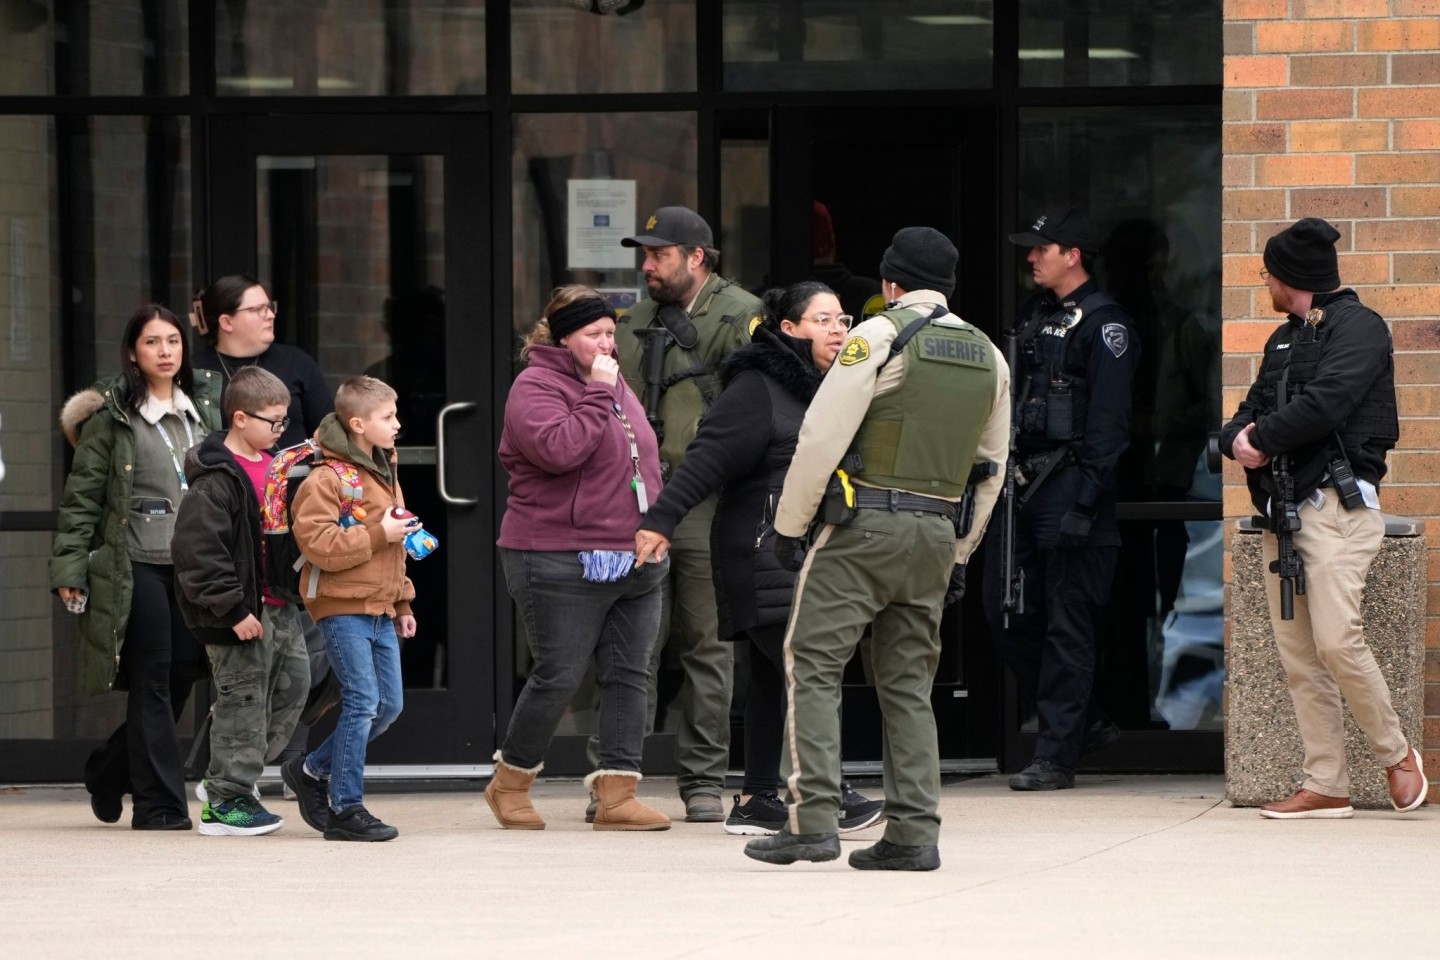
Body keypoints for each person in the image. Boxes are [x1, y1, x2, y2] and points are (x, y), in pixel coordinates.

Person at [743, 227, 1009, 871]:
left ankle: (811, 823)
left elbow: (820, 437)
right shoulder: (990, 356)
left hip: (865, 528)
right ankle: (914, 834)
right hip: (936, 535)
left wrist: (789, 528)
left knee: (810, 662)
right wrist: (961, 554)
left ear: (890, 283)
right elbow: (992, 467)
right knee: (909, 686)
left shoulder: (879, 335)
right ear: (947, 285)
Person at [633, 281, 883, 836]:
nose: (838, 329)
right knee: (808, 669)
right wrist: (661, 520)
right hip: (760, 550)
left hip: (807, 552)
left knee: (777, 677)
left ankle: (758, 800)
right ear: (787, 330)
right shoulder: (758, 387)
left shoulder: (835, 388)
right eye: (822, 320)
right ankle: (825, 789)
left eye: (842, 319)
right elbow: (707, 458)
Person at [1220, 217, 1424, 820]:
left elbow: (1330, 400)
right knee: (1299, 657)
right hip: (1284, 513)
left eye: (1269, 273)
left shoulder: (1359, 327)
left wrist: (1260, 437)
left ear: (1291, 277)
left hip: (1336, 509)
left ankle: (1396, 754)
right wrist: (1238, 439)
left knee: (1338, 641)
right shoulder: (1283, 339)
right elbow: (1248, 410)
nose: (1266, 283)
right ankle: (1326, 783)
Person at [488, 286, 671, 832]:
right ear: (561, 336)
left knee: (629, 675)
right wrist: (596, 392)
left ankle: (617, 794)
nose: (607, 344)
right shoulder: (535, 386)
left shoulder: (614, 384)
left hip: (632, 554)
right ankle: (510, 782)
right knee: (559, 675)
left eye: (612, 334)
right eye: (594, 334)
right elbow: (560, 450)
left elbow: (643, 460)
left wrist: (657, 526)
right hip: (556, 555)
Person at [981, 206, 1140, 791]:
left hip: (1073, 487)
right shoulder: (1037, 315)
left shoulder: (1106, 325)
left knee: (1068, 626)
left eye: (1041, 248)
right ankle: (1088, 721)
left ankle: (1056, 755)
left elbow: (1109, 427)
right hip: (1024, 486)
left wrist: (1085, 504)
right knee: (1004, 615)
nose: (1030, 256)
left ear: (1072, 254)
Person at [614, 205, 764, 823]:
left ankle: (702, 779)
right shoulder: (630, 319)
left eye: (660, 255)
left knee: (706, 642)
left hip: (705, 499)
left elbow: (754, 408)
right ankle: (615, 775)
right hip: (636, 498)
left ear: (696, 256)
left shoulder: (741, 314)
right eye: (645, 255)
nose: (648, 266)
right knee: (631, 643)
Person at [51, 303, 222, 830]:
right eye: (152, 342)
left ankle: (108, 770)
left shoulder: (207, 409)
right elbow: (81, 499)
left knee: (183, 674)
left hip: (195, 564)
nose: (165, 351)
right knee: (151, 677)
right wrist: (70, 569)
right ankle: (159, 805)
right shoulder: (113, 417)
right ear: (133, 352)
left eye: (172, 340)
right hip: (137, 563)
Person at [190, 275, 337, 786]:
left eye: (270, 305)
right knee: (240, 684)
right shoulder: (197, 373)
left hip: (290, 547)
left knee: (302, 672)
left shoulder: (295, 364)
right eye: (257, 308)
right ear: (225, 322)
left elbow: (328, 434)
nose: (270, 314)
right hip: (229, 553)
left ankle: (278, 765)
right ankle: (228, 784)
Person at [278, 376, 418, 842]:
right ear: (358, 424)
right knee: (362, 701)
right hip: (340, 606)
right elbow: (319, 545)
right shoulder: (327, 478)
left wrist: (402, 601)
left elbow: (397, 547)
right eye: (388, 417)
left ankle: (311, 770)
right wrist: (380, 534)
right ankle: (346, 808)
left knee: (390, 706)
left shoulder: (385, 470)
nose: (398, 424)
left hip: (380, 607)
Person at [171, 366, 310, 836]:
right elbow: (198, 553)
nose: (279, 430)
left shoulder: (274, 468)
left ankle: (232, 779)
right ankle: (224, 800)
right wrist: (231, 610)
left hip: (279, 604)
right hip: (239, 612)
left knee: (293, 688)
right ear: (239, 417)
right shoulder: (215, 478)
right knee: (243, 700)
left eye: (284, 422)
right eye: (272, 421)